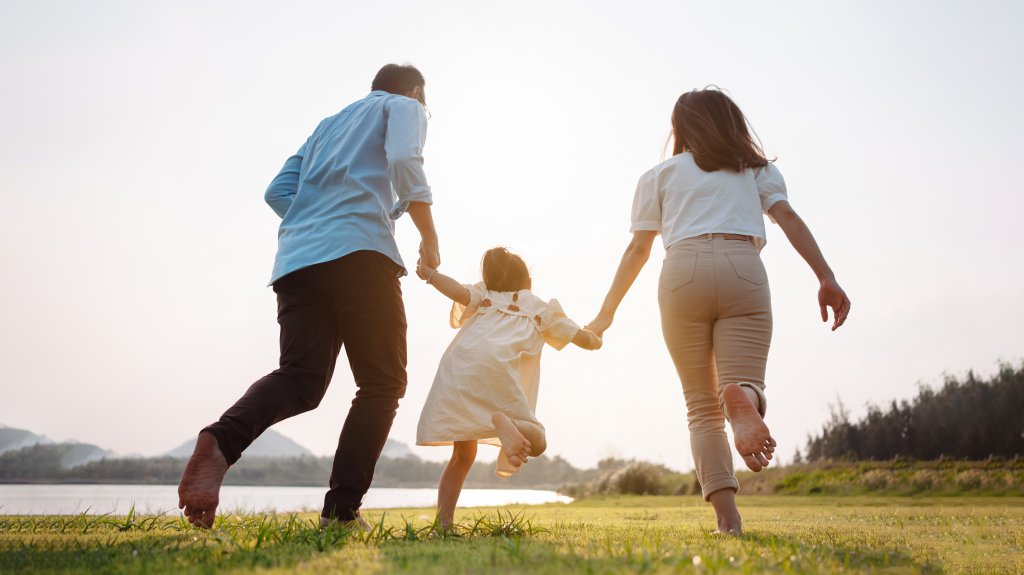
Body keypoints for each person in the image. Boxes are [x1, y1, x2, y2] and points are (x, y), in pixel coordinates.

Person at [177, 64, 440, 529]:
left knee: (300, 378)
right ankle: (341, 513)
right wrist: (427, 236)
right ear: (416, 91)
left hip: (298, 260)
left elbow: (277, 191)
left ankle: (221, 440)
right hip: (360, 253)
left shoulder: (326, 125)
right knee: (382, 384)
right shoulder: (406, 106)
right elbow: (404, 160)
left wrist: (314, 218)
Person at [586, 87, 850, 535]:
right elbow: (788, 218)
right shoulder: (755, 171)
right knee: (742, 382)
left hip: (681, 272)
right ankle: (745, 398)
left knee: (702, 409)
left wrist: (606, 314)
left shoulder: (659, 175)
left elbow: (637, 249)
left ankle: (729, 522)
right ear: (732, 123)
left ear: (680, 129)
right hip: (742, 267)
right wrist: (826, 277)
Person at [414, 247, 602, 529]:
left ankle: (443, 525)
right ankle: (509, 423)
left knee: (462, 456)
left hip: (461, 369)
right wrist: (597, 337)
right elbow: (585, 341)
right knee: (537, 441)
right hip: (499, 375)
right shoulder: (541, 308)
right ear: (526, 279)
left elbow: (456, 291)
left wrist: (430, 274)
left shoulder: (484, 296)